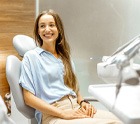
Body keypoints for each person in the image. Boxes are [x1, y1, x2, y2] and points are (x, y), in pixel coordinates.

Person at [19, 9, 123, 124]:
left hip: (76, 107)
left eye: (52, 25)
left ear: (58, 29)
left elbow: (74, 88)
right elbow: (28, 98)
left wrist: (83, 102)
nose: (47, 29)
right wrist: (63, 113)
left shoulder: (65, 57)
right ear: (38, 31)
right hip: (53, 114)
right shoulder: (31, 57)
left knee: (124, 119)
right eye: (42, 26)